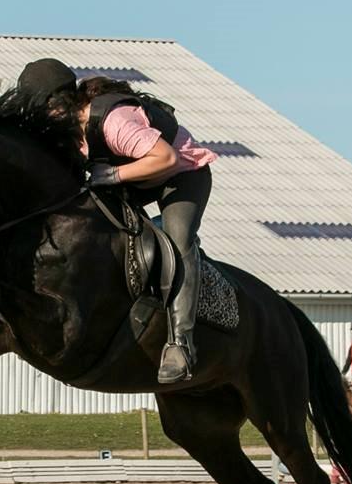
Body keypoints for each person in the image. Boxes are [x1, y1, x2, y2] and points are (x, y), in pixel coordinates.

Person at [16, 58, 217, 384]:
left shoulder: (112, 120)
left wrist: (112, 174)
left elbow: (166, 158)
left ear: (58, 105)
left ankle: (181, 345)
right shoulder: (68, 128)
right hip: (135, 179)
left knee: (178, 242)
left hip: (181, 175)